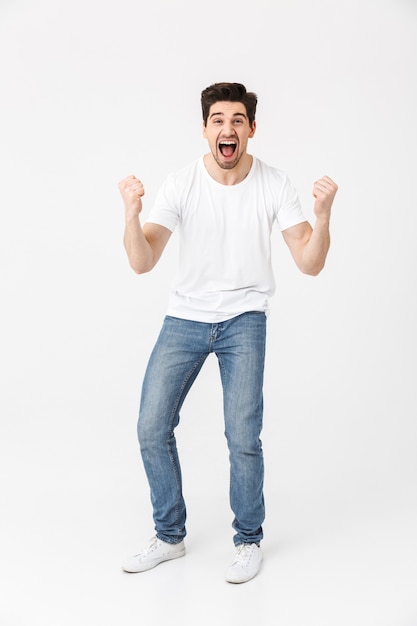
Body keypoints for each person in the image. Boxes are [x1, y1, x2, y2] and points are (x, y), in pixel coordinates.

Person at [118, 82, 338, 584]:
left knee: (242, 436)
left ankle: (248, 540)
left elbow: (309, 262)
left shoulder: (274, 183)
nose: (228, 129)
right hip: (186, 317)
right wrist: (131, 215)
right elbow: (141, 260)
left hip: (244, 320)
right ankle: (170, 536)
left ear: (251, 130)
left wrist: (322, 219)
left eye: (237, 120)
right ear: (205, 129)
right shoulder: (181, 183)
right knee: (151, 427)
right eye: (218, 120)